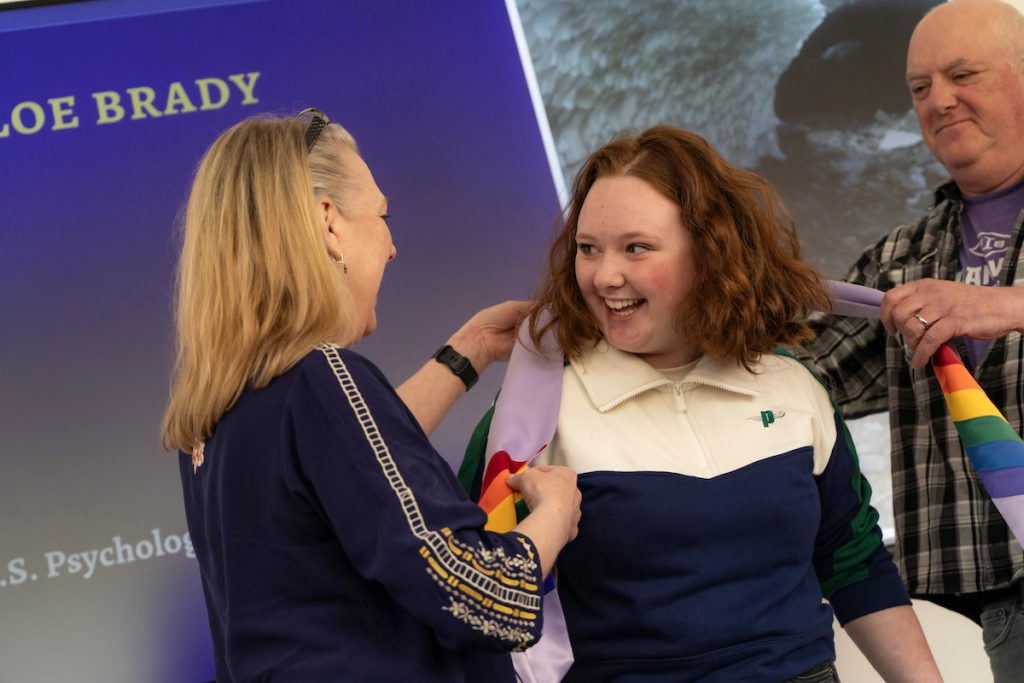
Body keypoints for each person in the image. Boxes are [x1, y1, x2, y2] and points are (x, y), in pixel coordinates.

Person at [478, 124, 941, 682]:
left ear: (710, 251)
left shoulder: (793, 387)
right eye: (587, 250)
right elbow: (478, 597)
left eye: (636, 248)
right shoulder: (532, 413)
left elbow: (852, 561)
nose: (604, 276)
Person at [160, 109, 582, 682]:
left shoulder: (218, 414)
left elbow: (352, 468)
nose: (391, 247)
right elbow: (484, 600)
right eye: (382, 217)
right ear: (329, 225)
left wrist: (470, 349)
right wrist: (554, 516)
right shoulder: (318, 378)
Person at [802, 1, 1024, 679]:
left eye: (962, 75)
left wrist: (1005, 304)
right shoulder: (902, 254)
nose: (940, 101)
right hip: (1001, 596)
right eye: (921, 88)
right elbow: (809, 377)